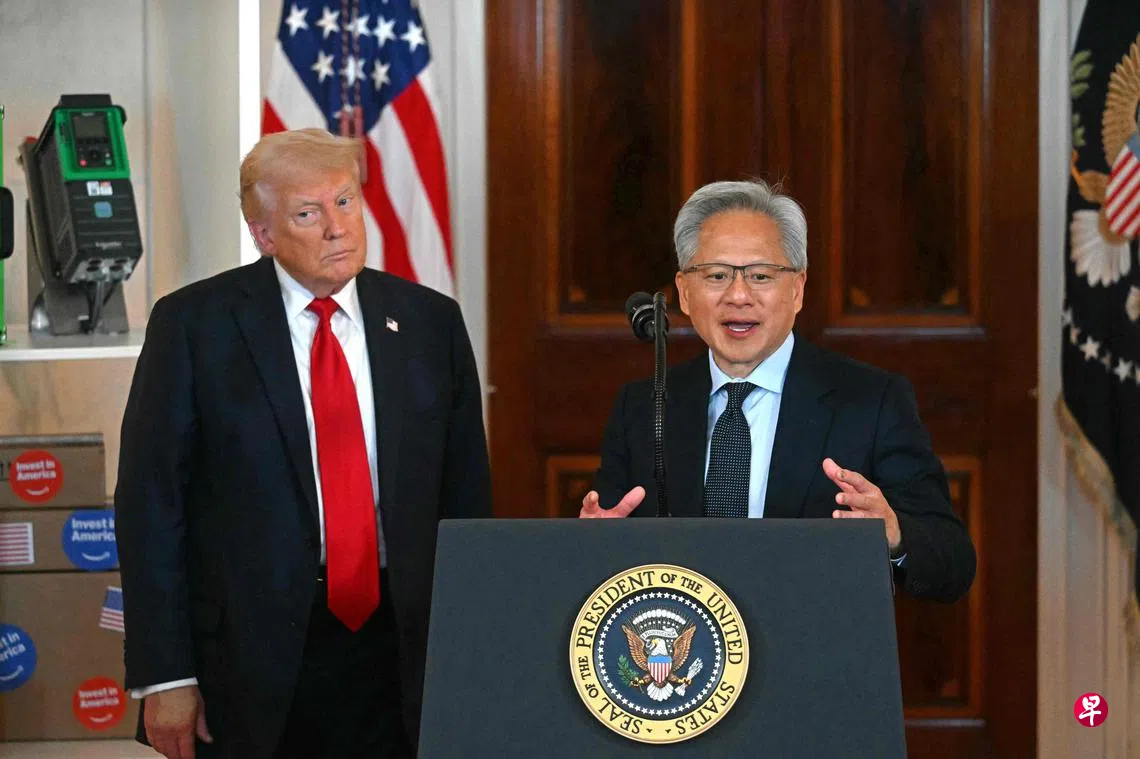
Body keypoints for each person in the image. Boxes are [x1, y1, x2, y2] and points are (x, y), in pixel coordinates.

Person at [114, 128, 491, 758]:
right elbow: (151, 506)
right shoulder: (194, 325)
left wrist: (474, 650)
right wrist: (166, 673)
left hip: (401, 648)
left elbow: (466, 498)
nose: (337, 228)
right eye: (308, 214)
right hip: (247, 661)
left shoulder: (430, 322)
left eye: (345, 202)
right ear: (263, 234)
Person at [580, 179, 975, 604]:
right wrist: (592, 546)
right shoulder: (644, 408)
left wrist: (895, 535)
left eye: (760, 276)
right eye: (717, 275)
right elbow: (600, 556)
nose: (738, 296)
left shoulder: (870, 401)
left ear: (797, 289)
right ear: (685, 293)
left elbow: (952, 565)